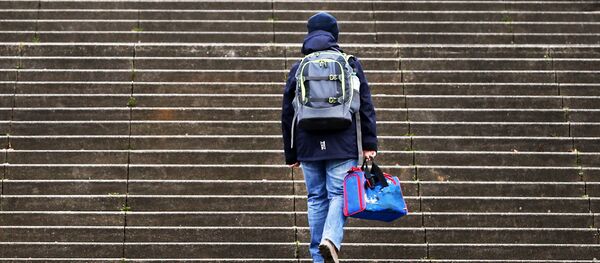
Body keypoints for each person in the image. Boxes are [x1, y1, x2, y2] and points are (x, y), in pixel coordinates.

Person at [281, 12, 378, 263]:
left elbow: (287, 112)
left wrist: (290, 153)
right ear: (335, 34)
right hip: (342, 142)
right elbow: (365, 105)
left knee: (315, 197)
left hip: (307, 142)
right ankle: (331, 240)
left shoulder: (299, 67)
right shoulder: (350, 63)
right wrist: (369, 144)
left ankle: (317, 256)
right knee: (338, 195)